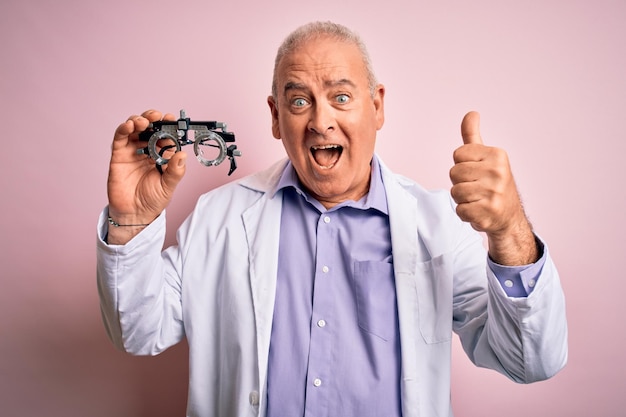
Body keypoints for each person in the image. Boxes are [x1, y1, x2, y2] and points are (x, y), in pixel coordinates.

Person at [97, 21, 567, 417]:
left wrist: (509, 232)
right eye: (299, 102)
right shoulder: (219, 219)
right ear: (276, 117)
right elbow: (139, 330)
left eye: (341, 97)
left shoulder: (440, 225)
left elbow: (531, 360)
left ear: (377, 105)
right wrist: (131, 220)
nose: (321, 122)